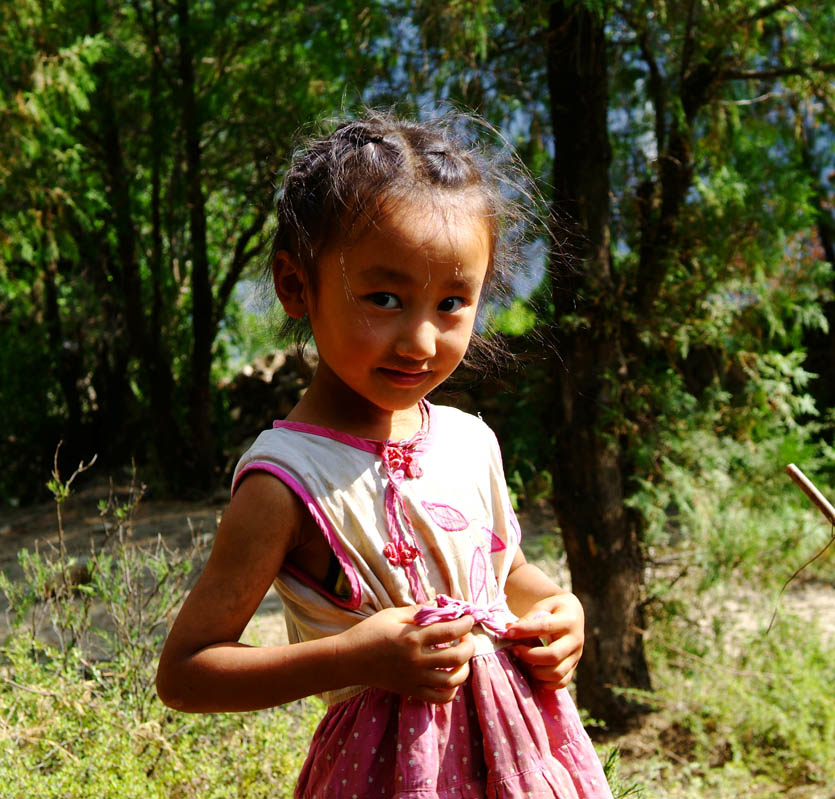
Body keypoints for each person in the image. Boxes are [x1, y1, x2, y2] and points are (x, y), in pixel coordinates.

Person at [156, 111, 613, 798]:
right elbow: (186, 672)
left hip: (525, 758)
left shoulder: (469, 440)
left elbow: (506, 570)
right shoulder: (286, 480)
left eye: (453, 302)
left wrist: (558, 606)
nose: (420, 340)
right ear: (295, 286)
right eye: (384, 297)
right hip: (386, 774)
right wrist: (352, 656)